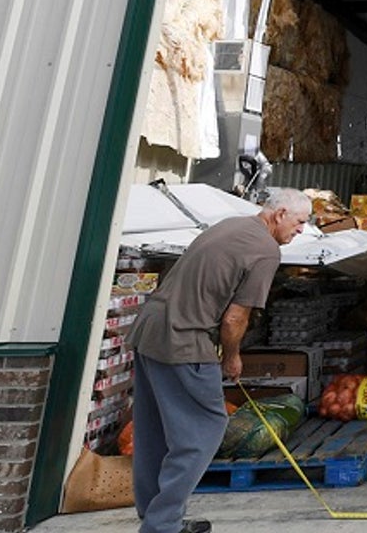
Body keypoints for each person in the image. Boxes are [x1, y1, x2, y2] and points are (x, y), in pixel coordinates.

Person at [127, 187, 311, 533]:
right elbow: (234, 318)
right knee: (206, 429)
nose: (301, 230)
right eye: (300, 222)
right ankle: (162, 525)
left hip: (150, 328)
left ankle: (155, 516)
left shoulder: (229, 225)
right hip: (185, 339)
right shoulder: (266, 249)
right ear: (280, 213)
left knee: (153, 430)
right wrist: (232, 357)